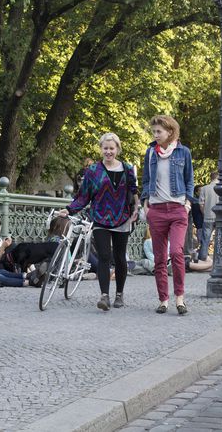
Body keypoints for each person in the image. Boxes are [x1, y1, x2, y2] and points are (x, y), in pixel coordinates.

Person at [64, 132, 138, 311]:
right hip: (99, 217)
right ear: (101, 149)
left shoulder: (127, 169)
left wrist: (136, 209)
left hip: (122, 217)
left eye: (112, 148)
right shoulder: (93, 171)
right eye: (105, 148)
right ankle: (104, 295)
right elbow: (83, 196)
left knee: (120, 257)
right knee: (104, 256)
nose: (108, 152)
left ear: (117, 149)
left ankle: (119, 294)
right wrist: (68, 209)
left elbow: (134, 191)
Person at [141, 115, 193, 315]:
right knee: (160, 258)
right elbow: (146, 179)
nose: (155, 135)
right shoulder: (150, 153)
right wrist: (146, 204)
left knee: (176, 252)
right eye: (153, 131)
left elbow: (189, 179)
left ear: (170, 132)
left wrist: (187, 203)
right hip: (157, 210)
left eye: (159, 132)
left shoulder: (183, 153)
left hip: (178, 209)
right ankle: (163, 300)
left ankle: (180, 298)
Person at [197, 171, 219, 262]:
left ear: (211, 178)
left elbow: (201, 204)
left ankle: (203, 259)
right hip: (220, 218)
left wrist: (205, 213)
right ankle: (219, 259)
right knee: (220, 239)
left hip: (208, 217)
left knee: (205, 239)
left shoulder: (204, 189)